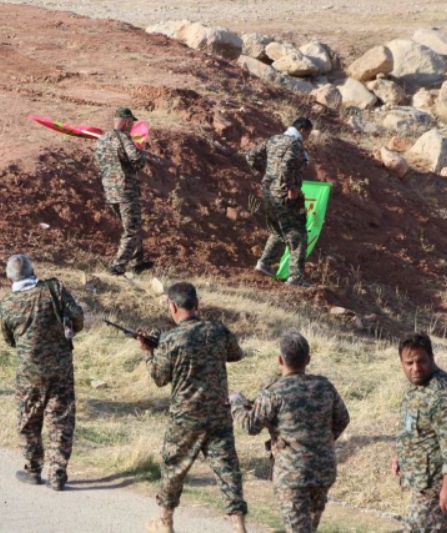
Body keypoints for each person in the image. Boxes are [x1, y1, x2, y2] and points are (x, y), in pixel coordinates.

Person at [137, 282, 247, 533]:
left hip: (185, 418)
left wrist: (147, 352)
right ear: (197, 305)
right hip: (218, 414)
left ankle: (165, 523)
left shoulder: (171, 339)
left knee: (173, 468)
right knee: (228, 470)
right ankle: (238, 525)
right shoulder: (217, 331)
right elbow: (236, 353)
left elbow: (159, 377)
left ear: (173, 307)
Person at [230, 331, 350, 532]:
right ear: (308, 359)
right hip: (323, 471)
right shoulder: (324, 386)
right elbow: (343, 419)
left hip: (292, 475)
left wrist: (236, 403)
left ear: (280, 360)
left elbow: (250, 426)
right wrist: (321, 441)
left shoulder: (273, 393)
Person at [0, 254, 84, 491]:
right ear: (33, 270)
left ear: (9, 278)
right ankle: (57, 474)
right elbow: (78, 318)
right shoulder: (54, 290)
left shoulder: (7, 305)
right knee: (60, 419)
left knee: (29, 419)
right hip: (60, 369)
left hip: (29, 372)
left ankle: (33, 470)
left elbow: (9, 340)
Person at [393, 332, 447, 530]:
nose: (416, 368)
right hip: (423, 484)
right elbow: (414, 428)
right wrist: (401, 456)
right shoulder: (417, 387)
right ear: (401, 363)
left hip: (437, 487)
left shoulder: (442, 394)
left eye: (421, 361)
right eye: (409, 363)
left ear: (432, 358)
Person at [246, 117, 313, 287]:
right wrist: (290, 187)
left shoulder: (273, 139)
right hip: (285, 195)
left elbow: (251, 156)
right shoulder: (295, 144)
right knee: (298, 233)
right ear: (303, 130)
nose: (307, 137)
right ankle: (296, 277)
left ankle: (264, 264)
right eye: (308, 134)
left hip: (268, 192)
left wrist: (268, 174)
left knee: (278, 230)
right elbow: (287, 165)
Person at [94, 106, 153, 276]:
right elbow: (137, 159)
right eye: (131, 122)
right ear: (127, 122)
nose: (132, 126)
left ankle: (138, 262)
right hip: (126, 190)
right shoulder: (124, 138)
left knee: (131, 225)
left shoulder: (102, 139)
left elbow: (98, 163)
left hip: (110, 191)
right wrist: (140, 155)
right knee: (131, 229)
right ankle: (117, 266)